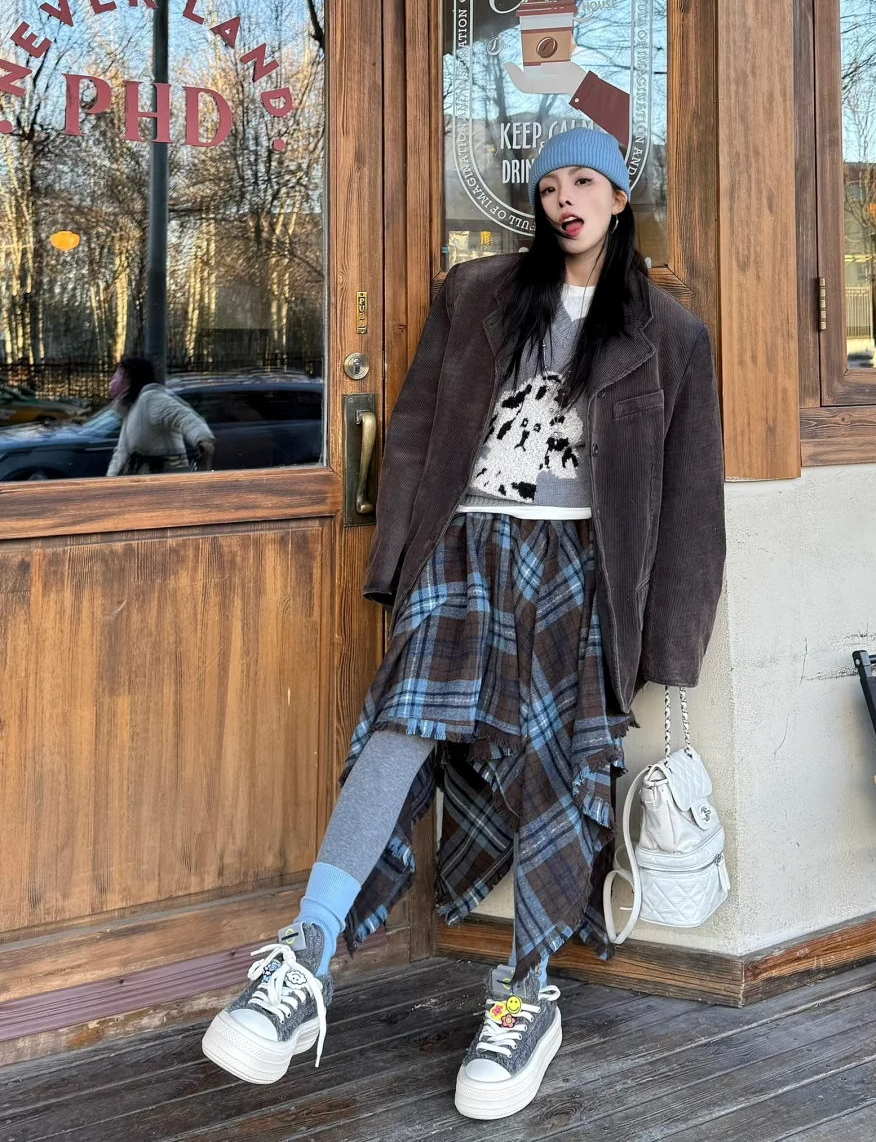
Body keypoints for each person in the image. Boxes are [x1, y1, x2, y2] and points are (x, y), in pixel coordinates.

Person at [200, 128, 726, 1119]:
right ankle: (304, 961)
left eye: (585, 181)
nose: (565, 198)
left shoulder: (672, 334)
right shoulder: (477, 292)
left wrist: (669, 646)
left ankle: (526, 995)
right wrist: (398, 570)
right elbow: (410, 434)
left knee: (557, 769)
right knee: (398, 727)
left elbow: (693, 503)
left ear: (620, 196)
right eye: (550, 183)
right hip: (466, 543)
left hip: (582, 566)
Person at [106, 356, 215, 475]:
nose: (112, 380)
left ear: (128, 377)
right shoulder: (132, 409)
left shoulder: (150, 398)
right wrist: (111, 481)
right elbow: (121, 454)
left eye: (116, 375)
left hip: (165, 479)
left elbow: (182, 415)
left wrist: (202, 439)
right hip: (147, 481)